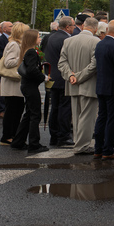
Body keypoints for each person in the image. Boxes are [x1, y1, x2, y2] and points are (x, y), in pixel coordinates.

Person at [58, 17, 101, 155]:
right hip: (88, 84)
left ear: (83, 26)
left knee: (76, 116)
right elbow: (94, 65)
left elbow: (62, 62)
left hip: (72, 84)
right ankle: (82, 145)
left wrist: (70, 75)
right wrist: (79, 76)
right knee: (87, 117)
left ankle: (78, 142)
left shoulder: (68, 40)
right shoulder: (96, 41)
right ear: (95, 29)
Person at [11, 29, 49, 154]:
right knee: (35, 115)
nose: (40, 39)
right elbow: (32, 70)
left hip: (26, 85)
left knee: (28, 115)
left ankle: (18, 141)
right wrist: (43, 77)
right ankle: (34, 144)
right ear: (33, 39)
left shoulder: (26, 51)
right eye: (38, 37)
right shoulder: (31, 52)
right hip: (30, 86)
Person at [93, 20, 114, 159]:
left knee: (101, 117)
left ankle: (98, 148)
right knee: (112, 119)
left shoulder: (99, 44)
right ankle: (108, 150)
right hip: (112, 87)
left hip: (100, 86)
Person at [42, 15, 74, 146]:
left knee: (54, 108)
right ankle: (64, 135)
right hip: (63, 77)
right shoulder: (67, 39)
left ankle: (54, 135)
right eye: (72, 26)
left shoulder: (50, 37)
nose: (73, 28)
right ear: (67, 27)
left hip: (52, 76)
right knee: (65, 108)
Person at [0, 22, 27, 145]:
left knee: (17, 110)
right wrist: (22, 58)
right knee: (12, 111)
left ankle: (12, 134)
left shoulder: (18, 44)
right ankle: (7, 136)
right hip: (11, 83)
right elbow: (8, 63)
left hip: (15, 83)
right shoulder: (14, 45)